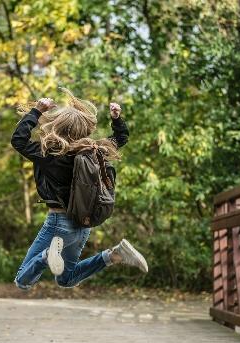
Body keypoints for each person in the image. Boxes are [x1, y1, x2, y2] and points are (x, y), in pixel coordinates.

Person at [11, 88, 148, 290]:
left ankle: (47, 256)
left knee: (22, 280)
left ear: (58, 125)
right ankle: (114, 255)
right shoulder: (95, 151)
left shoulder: (49, 153)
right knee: (66, 279)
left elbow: (18, 140)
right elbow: (121, 139)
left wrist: (37, 111)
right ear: (84, 128)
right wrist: (116, 120)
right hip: (83, 224)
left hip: (58, 223)